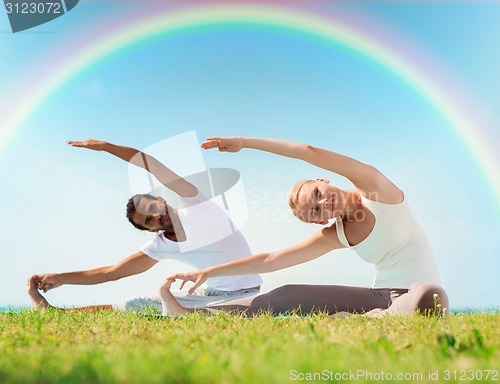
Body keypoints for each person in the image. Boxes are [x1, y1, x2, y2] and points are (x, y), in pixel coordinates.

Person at [161, 136, 448, 317]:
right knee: (285, 294)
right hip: (379, 295)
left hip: (419, 290)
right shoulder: (337, 234)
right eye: (316, 211)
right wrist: (207, 272)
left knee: (430, 296)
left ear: (322, 180)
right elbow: (272, 260)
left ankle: (371, 318)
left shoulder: (376, 190)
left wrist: (244, 143)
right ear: (321, 221)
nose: (324, 203)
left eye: (317, 195)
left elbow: (307, 151)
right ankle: (187, 313)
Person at [27, 138, 262, 312]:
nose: (156, 216)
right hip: (206, 294)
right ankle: (57, 314)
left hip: (244, 294)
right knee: (133, 305)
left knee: (198, 314)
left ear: (161, 200)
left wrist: (107, 147)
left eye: (152, 209)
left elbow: (148, 163)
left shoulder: (195, 203)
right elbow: (111, 272)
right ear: (149, 229)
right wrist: (61, 277)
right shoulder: (160, 245)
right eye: (148, 221)